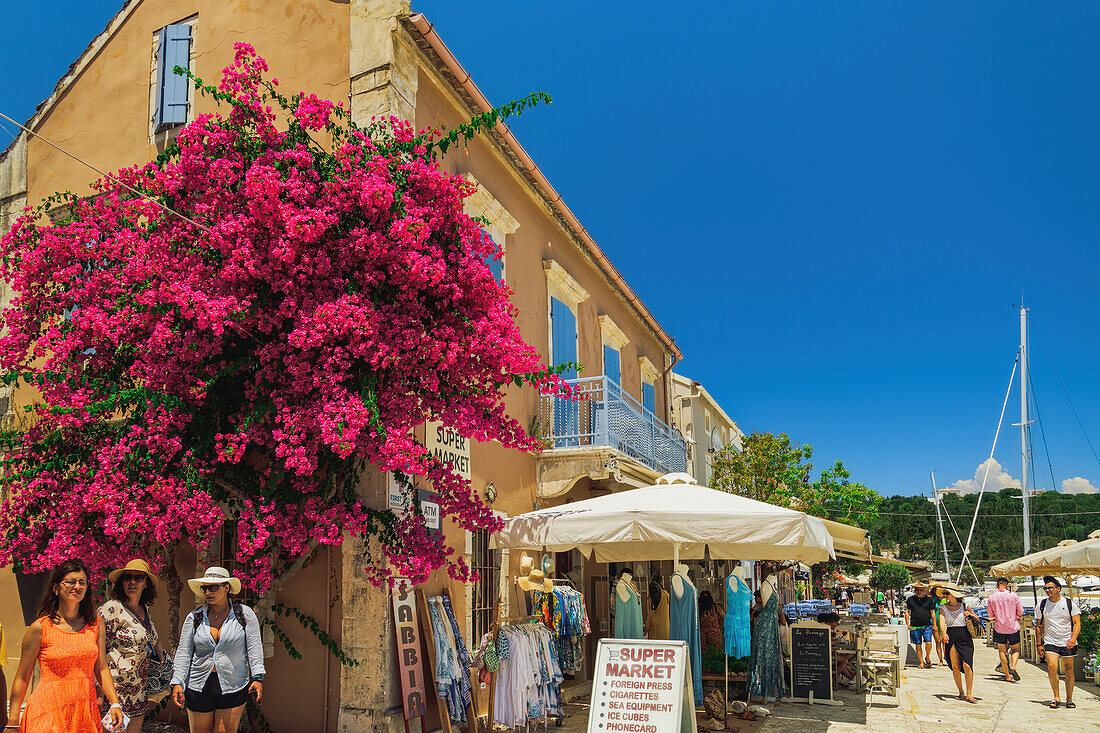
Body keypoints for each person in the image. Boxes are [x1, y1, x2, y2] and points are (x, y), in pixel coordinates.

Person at [5, 559, 126, 732]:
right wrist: (13, 722)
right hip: (46, 713)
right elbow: (22, 677)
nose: (77, 586)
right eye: (70, 581)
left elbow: (101, 668)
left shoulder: (96, 624)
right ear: (56, 588)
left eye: (82, 582)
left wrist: (115, 703)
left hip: (83, 715)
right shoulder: (40, 628)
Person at [171, 567, 264, 733]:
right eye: (205, 588)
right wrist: (178, 680)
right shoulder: (194, 617)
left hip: (233, 684)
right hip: (199, 684)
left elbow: (254, 646)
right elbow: (184, 652)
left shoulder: (244, 614)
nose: (208, 592)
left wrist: (257, 677)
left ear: (226, 587)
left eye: (213, 587)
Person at [100, 559, 168, 732]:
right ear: (121, 582)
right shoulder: (111, 609)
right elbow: (96, 650)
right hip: (114, 691)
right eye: (128, 577)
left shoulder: (144, 609)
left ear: (146, 584)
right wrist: (98, 690)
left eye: (138, 578)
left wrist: (163, 662)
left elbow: (153, 639)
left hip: (138, 692)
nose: (132, 582)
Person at [1036, 576, 1082, 709]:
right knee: (1051, 666)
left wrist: (1073, 638)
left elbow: (1077, 623)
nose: (1048, 590)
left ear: (1058, 589)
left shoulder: (1069, 604)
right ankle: (1056, 697)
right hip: (1051, 641)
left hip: (1067, 641)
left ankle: (1069, 699)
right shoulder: (1042, 605)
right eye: (1046, 588)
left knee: (1068, 670)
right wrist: (1039, 644)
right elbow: (1039, 625)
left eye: (1050, 588)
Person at [936, 587, 980, 704]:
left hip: (965, 635)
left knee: (967, 665)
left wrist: (969, 614)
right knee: (955, 666)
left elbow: (977, 618)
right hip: (951, 635)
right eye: (944, 593)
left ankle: (969, 693)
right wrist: (943, 633)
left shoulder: (965, 606)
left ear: (954, 595)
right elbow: (941, 621)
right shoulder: (942, 608)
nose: (945, 595)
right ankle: (961, 692)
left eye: (947, 593)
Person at [986, 577, 1023, 683]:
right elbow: (1020, 612)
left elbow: (990, 614)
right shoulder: (1013, 596)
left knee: (1002, 651)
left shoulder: (992, 597)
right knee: (1015, 650)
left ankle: (1007, 675)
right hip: (1013, 627)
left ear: (997, 586)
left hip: (999, 628)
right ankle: (1014, 667)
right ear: (1007, 585)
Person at [816, 612, 856, 689]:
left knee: (841, 660)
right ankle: (834, 682)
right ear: (833, 622)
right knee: (843, 660)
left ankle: (853, 677)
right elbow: (823, 643)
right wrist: (835, 642)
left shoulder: (822, 627)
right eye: (837, 624)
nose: (837, 625)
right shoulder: (827, 629)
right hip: (823, 655)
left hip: (821, 653)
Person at [904, 582, 936, 668]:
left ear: (924, 590)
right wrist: (908, 624)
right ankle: (921, 662)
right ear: (915, 590)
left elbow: (932, 613)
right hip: (915, 625)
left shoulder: (929, 600)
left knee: (928, 642)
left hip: (927, 625)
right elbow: (907, 612)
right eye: (917, 590)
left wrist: (935, 624)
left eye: (921, 590)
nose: (919, 592)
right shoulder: (910, 600)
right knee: (918, 645)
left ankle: (927, 657)